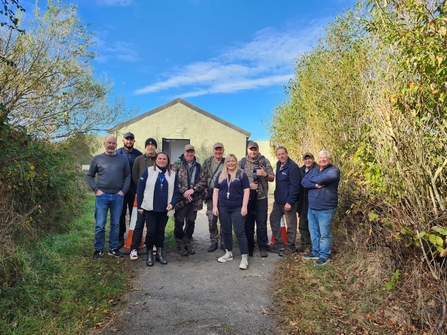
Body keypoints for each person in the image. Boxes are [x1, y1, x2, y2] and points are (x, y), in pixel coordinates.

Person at [130, 152, 179, 266]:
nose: (162, 161)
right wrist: (141, 205)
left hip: (165, 208)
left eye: (164, 159)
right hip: (150, 207)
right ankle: (149, 255)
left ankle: (159, 255)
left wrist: (172, 203)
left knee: (160, 232)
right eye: (160, 159)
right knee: (151, 232)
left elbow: (176, 192)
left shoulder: (173, 174)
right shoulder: (148, 171)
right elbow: (140, 189)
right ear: (156, 160)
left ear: (168, 161)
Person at [87, 135, 131, 260]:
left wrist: (123, 191)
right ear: (104, 143)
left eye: (113, 143)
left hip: (118, 196)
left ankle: (113, 248)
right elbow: (90, 175)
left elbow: (128, 176)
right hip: (102, 196)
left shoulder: (123, 159)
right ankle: (99, 249)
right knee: (100, 224)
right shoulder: (97, 159)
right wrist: (96, 190)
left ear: (117, 145)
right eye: (109, 143)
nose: (111, 145)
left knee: (115, 224)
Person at [301, 150, 340, 266]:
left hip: (325, 208)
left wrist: (314, 179)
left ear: (329, 159)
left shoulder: (334, 170)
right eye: (320, 158)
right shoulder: (314, 170)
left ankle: (324, 255)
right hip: (312, 208)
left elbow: (323, 179)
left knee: (324, 234)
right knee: (314, 232)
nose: (322, 160)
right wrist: (314, 185)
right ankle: (315, 252)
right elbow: (304, 181)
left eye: (325, 158)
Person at [213, 154, 250, 270]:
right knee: (226, 230)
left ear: (236, 162)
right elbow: (216, 191)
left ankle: (244, 257)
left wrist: (244, 206)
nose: (230, 163)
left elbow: (247, 191)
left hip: (237, 207)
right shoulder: (220, 175)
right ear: (226, 163)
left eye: (233, 161)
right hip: (223, 207)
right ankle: (228, 253)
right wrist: (215, 206)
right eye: (228, 161)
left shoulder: (241, 174)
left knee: (239, 231)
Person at [239, 141, 274, 257]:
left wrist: (264, 174)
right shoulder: (242, 163)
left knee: (261, 223)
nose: (253, 151)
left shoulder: (264, 161)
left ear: (258, 150)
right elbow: (237, 180)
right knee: (248, 224)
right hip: (247, 199)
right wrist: (248, 186)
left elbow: (272, 178)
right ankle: (250, 246)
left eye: (255, 149)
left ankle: (262, 246)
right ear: (247, 150)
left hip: (261, 198)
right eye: (251, 149)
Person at [172, 144, 206, 256]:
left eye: (191, 152)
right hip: (181, 201)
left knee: (191, 223)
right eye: (188, 152)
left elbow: (203, 182)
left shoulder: (198, 166)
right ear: (184, 152)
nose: (190, 154)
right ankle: (180, 244)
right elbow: (172, 181)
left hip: (194, 199)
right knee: (179, 223)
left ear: (194, 153)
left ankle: (188, 242)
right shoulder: (176, 165)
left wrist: (192, 190)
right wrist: (184, 191)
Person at [269, 146, 300, 256]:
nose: (281, 156)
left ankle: (291, 246)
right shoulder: (278, 165)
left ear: (287, 154)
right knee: (273, 218)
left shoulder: (293, 167)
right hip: (278, 201)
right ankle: (279, 243)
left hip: (289, 202)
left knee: (291, 224)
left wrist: (290, 202)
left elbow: (295, 186)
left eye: (283, 153)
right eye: (279, 154)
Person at [116, 132, 142, 248]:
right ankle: (120, 237)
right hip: (121, 189)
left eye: (131, 139)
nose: (129, 141)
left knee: (134, 215)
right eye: (127, 139)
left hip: (135, 189)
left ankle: (134, 238)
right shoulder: (117, 154)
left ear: (134, 141)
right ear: (123, 140)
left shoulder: (139, 155)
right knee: (120, 214)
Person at [202, 142, 225, 252]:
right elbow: (201, 176)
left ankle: (224, 242)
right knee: (212, 219)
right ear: (213, 150)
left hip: (224, 195)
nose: (218, 152)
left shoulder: (226, 162)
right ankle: (214, 241)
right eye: (216, 150)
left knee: (224, 219)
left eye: (220, 150)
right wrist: (204, 188)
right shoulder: (207, 162)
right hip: (211, 195)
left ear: (223, 150)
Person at [296, 152, 317, 253]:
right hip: (302, 201)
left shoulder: (317, 170)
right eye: (305, 159)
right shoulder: (300, 171)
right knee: (302, 225)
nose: (307, 161)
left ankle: (314, 246)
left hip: (313, 201)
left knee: (313, 225)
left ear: (313, 159)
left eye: (309, 159)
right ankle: (305, 244)